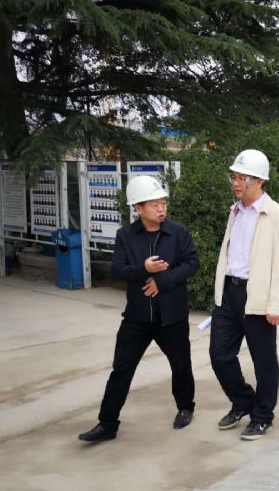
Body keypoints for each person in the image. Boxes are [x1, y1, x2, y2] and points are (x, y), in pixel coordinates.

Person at [79, 176, 199, 442]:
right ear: (138, 207)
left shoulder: (178, 233)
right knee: (121, 369)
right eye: (155, 204)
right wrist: (143, 269)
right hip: (137, 317)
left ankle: (185, 407)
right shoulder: (125, 236)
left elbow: (192, 264)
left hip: (172, 315)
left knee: (181, 364)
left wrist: (161, 281)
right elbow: (117, 270)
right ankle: (107, 424)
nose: (161, 209)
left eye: (163, 203)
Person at [209, 149, 279, 440]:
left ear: (259, 181)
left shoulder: (275, 214)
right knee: (219, 355)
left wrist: (276, 305)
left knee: (264, 361)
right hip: (229, 294)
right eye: (233, 177)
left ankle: (263, 416)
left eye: (241, 178)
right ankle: (244, 401)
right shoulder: (235, 211)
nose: (235, 183)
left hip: (257, 296)